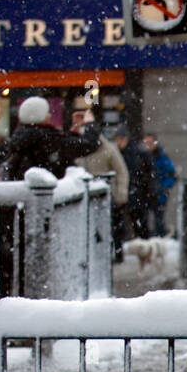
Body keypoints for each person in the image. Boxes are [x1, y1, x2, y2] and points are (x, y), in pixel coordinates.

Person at [70, 101, 129, 262]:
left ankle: (114, 253)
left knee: (111, 226)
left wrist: (120, 195)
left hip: (105, 193)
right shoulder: (82, 148)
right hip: (87, 193)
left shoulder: (108, 149)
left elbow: (121, 171)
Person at [0, 96, 100, 182]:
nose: (50, 115)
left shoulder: (20, 138)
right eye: (46, 113)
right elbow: (88, 145)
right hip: (51, 198)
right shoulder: (47, 139)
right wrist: (90, 124)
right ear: (39, 117)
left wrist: (73, 131)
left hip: (24, 198)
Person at [114, 126, 157, 239]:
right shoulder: (129, 152)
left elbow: (147, 173)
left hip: (136, 194)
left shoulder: (135, 153)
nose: (117, 142)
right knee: (137, 225)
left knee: (139, 224)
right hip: (134, 193)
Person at [142, 132, 177, 236]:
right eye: (146, 143)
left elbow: (171, 175)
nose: (148, 146)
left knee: (159, 222)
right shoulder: (142, 157)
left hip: (159, 195)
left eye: (150, 143)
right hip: (146, 194)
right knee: (145, 222)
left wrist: (163, 188)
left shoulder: (162, 158)